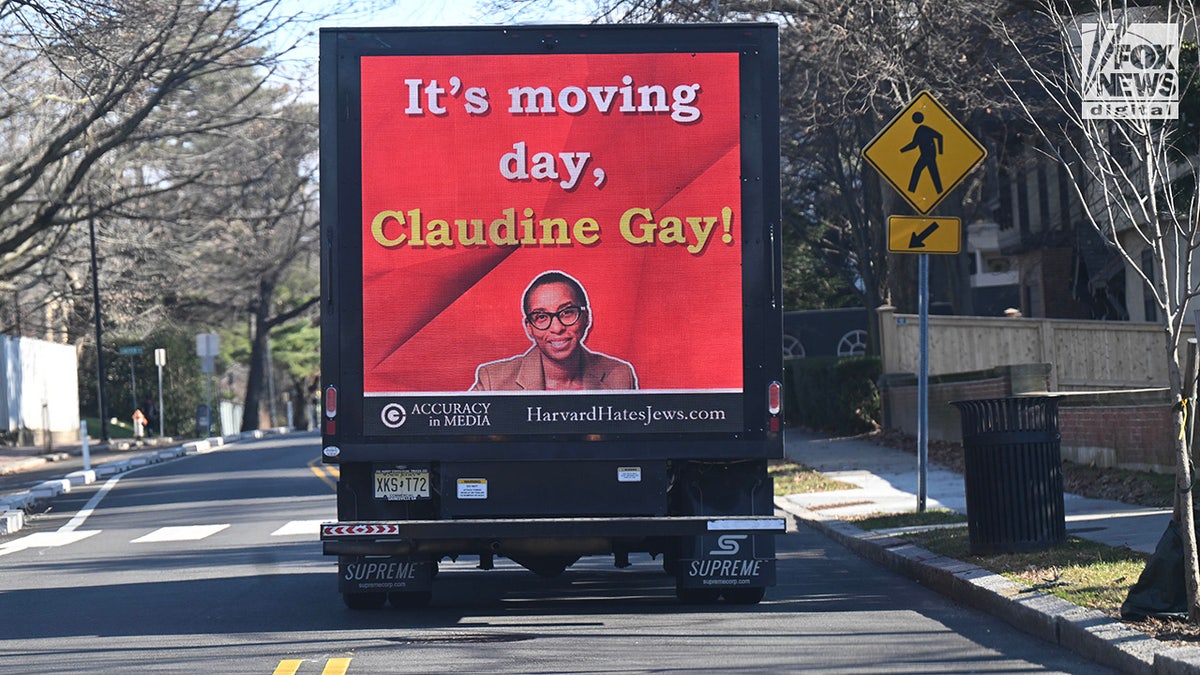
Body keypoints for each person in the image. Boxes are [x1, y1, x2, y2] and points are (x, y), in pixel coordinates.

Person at [471, 271, 637, 391]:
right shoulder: (493, 381)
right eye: (541, 317)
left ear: (586, 318)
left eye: (567, 313)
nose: (557, 328)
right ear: (529, 327)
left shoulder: (619, 376)